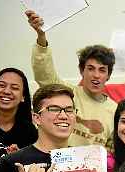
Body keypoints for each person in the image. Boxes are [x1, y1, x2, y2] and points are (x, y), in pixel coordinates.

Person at [26, 10, 117, 149]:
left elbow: (112, 150)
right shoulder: (66, 93)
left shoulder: (115, 110)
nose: (96, 75)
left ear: (108, 75)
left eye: (102, 70)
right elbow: (43, 74)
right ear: (81, 70)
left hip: (91, 169)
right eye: (91, 68)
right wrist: (41, 36)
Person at [0, 68, 37, 172]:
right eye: (1, 85)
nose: (6, 91)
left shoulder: (29, 131)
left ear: (23, 97)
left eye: (14, 88)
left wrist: (19, 158)